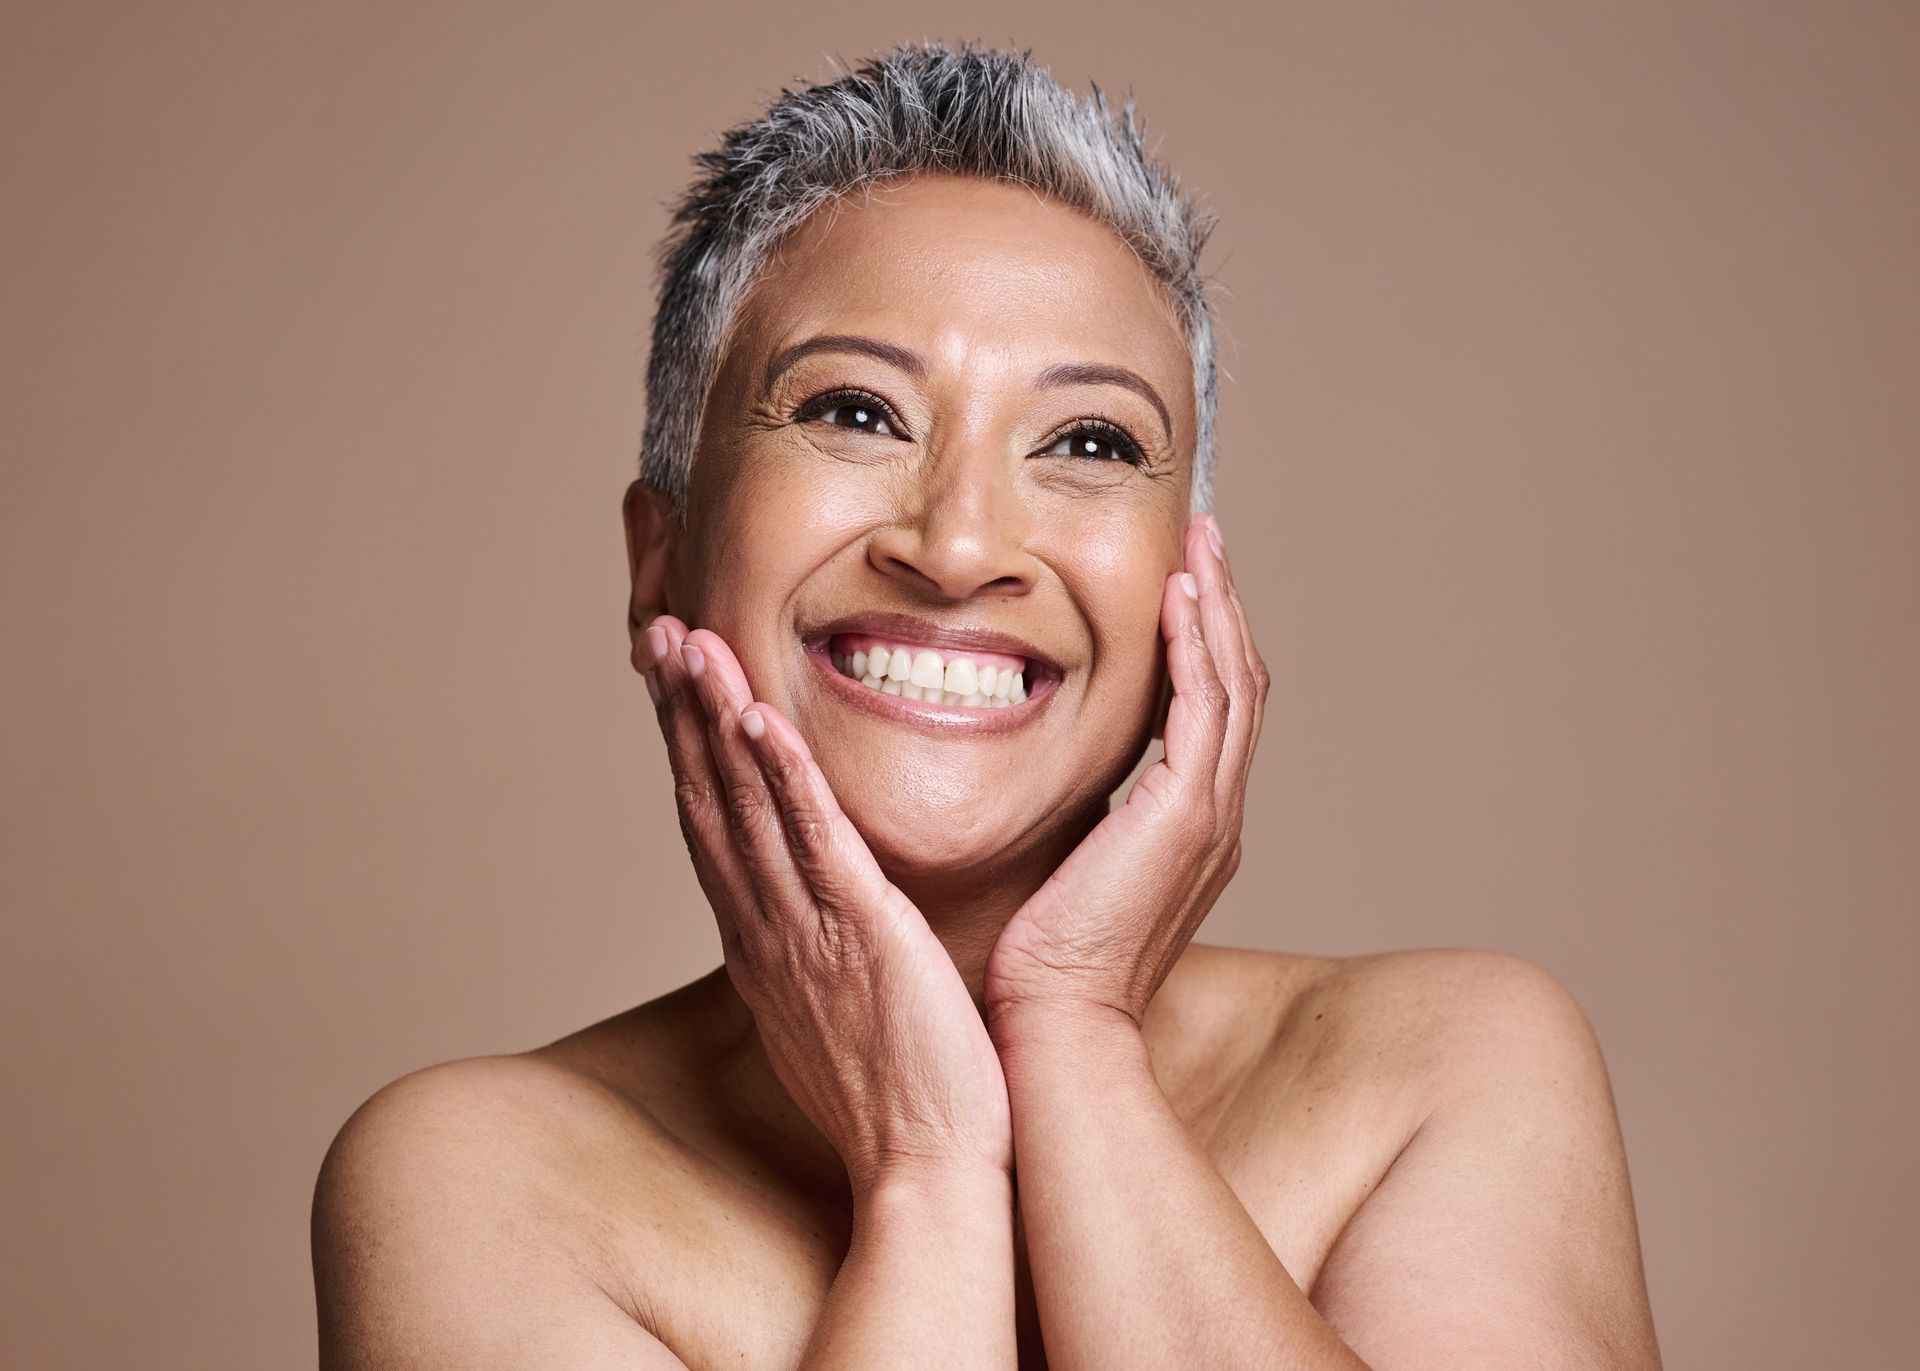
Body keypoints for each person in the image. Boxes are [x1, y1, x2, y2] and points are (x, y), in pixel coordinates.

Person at [311, 40, 1662, 1369]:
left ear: (1191, 581)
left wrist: (1074, 1033)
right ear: (657, 558)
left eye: (1089, 443)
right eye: (853, 412)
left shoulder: (1445, 1074)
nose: (957, 548)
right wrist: (925, 1164)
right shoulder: (475, 1180)